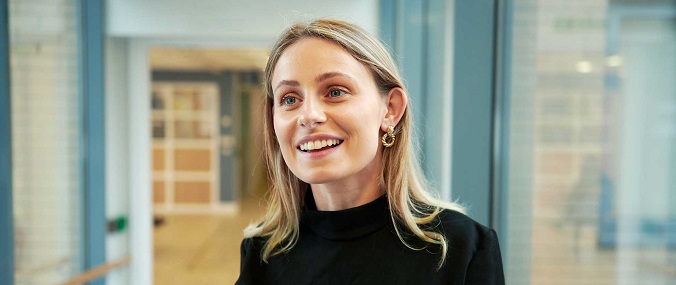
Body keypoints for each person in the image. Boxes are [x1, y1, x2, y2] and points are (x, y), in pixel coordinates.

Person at [236, 19, 504, 285]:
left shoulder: (463, 249)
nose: (308, 116)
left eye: (335, 92)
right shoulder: (262, 253)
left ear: (390, 110)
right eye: (289, 99)